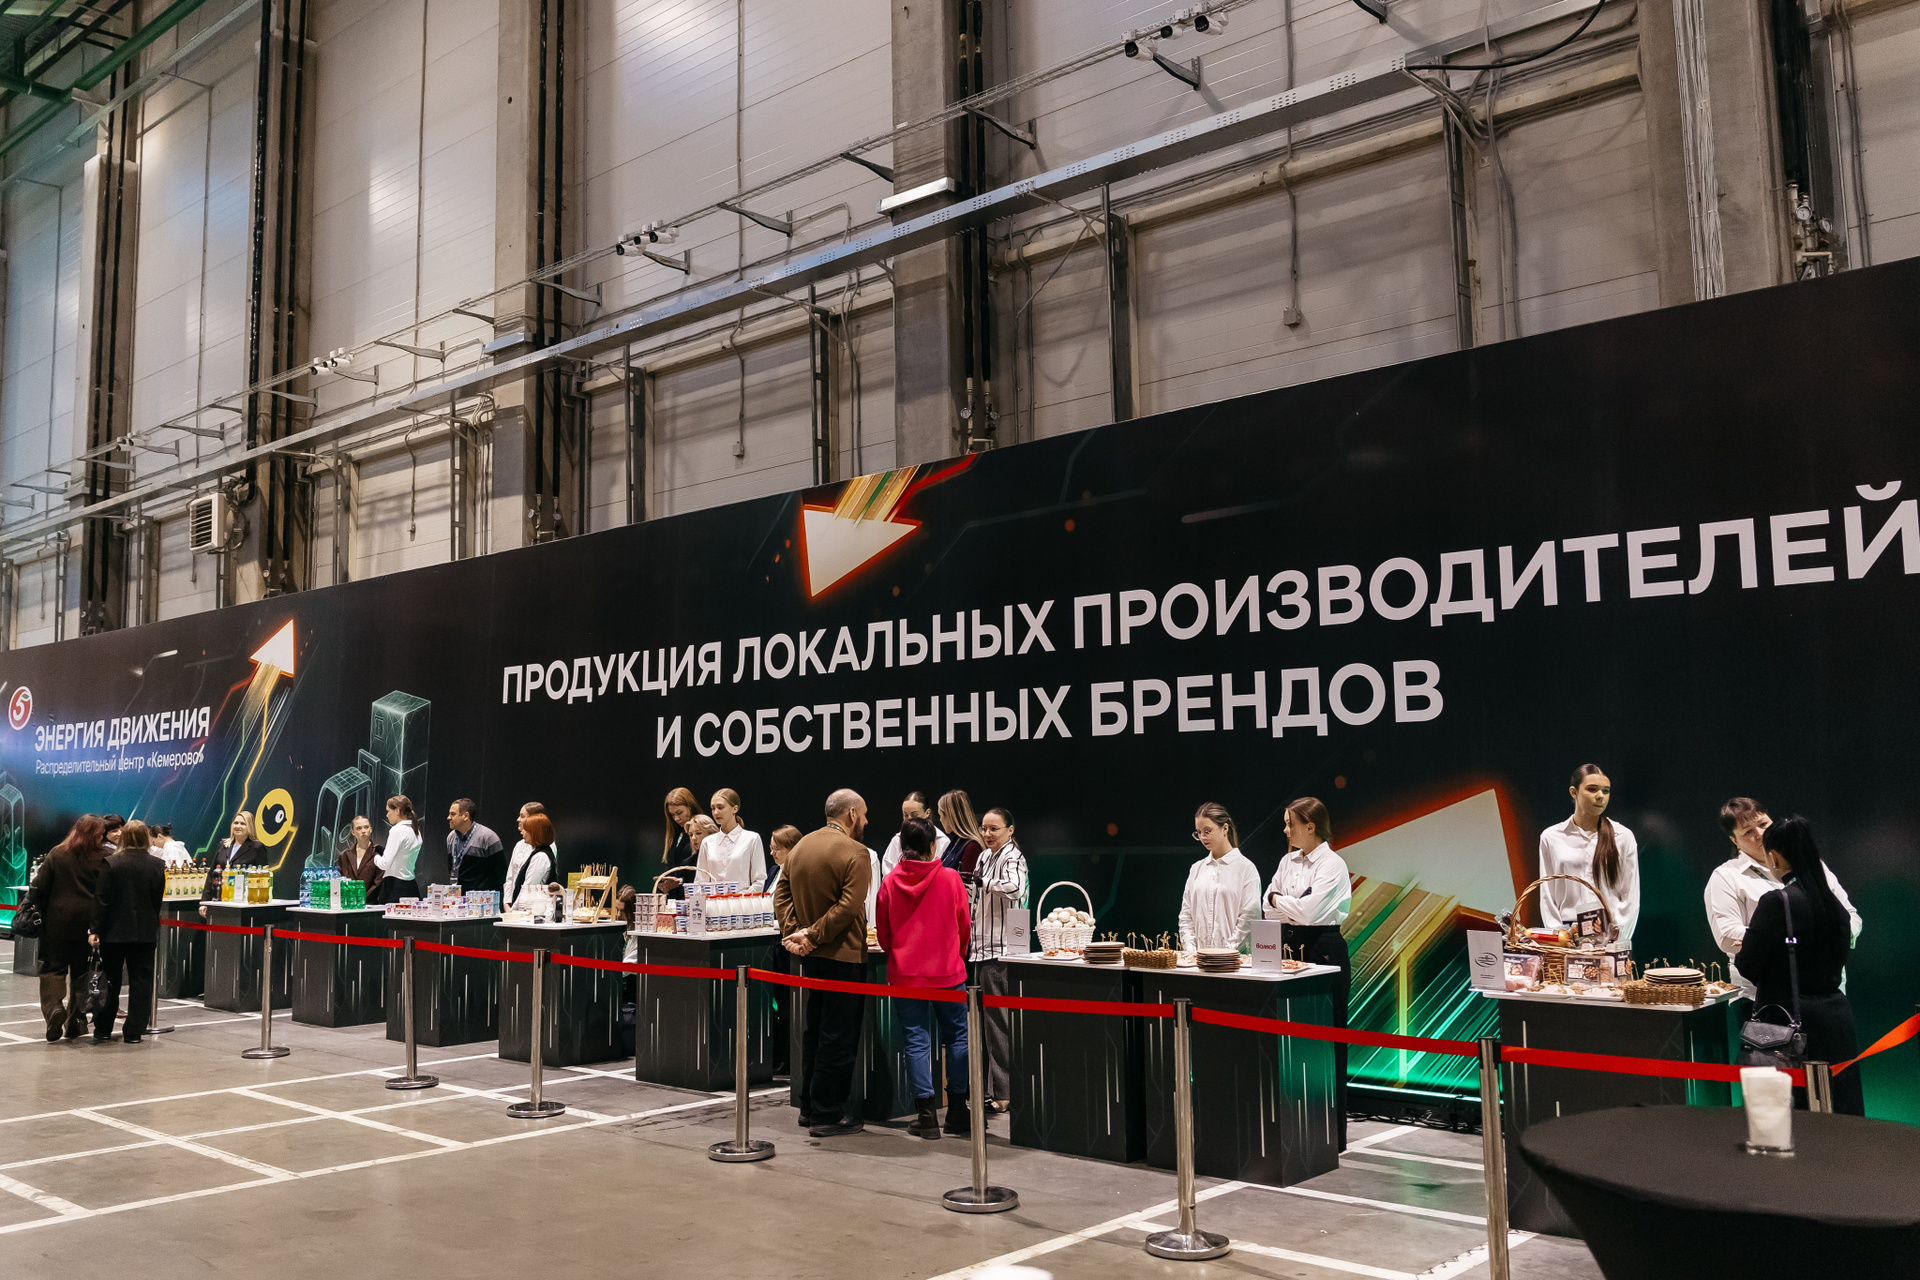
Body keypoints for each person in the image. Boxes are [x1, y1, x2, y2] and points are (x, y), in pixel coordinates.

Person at [1736, 815, 1866, 1116]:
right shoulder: (1836, 906)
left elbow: (1747, 965)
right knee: (1840, 1110)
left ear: (1775, 857)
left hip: (1788, 1022)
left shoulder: (1777, 902)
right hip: (1836, 1020)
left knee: (1791, 1116)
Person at [773, 788, 872, 1137]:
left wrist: (795, 933)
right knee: (837, 1037)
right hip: (844, 956)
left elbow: (780, 893)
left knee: (814, 1031)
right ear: (851, 815)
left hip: (811, 958)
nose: (866, 821)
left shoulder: (801, 847)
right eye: (863, 814)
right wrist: (812, 935)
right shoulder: (857, 852)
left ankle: (809, 1107)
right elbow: (848, 907)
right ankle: (827, 1113)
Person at [1705, 797, 1861, 1001]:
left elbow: (1850, 916)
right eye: (1748, 832)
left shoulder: (1813, 865)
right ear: (1734, 840)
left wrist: (1828, 938)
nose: (1760, 834)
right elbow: (1727, 936)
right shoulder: (1726, 876)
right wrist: (1804, 941)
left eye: (1763, 824)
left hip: (1828, 991)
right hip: (1760, 997)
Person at [1265, 796, 1353, 1150]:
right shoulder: (1287, 861)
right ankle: (1293, 1129)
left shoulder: (1332, 864)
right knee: (1290, 1038)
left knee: (1328, 1041)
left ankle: (1332, 1135)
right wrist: (1284, 903)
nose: (1286, 831)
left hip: (1323, 946)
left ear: (1310, 826)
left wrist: (1280, 901)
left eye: (1291, 824)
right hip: (1287, 946)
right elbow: (1267, 906)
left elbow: (1308, 912)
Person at [876, 817, 972, 1139]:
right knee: (957, 1038)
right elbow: (964, 924)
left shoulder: (889, 882)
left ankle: (927, 1117)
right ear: (932, 845)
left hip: (906, 975)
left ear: (903, 845)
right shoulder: (950, 878)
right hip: (948, 972)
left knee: (916, 1041)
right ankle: (957, 1111)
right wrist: (957, 953)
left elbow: (884, 934)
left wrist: (899, 954)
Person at [27, 815, 109, 1041]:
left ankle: (54, 1009)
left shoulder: (58, 853)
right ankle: (75, 1022)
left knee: (52, 970)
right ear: (96, 834)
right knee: (81, 973)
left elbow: (39, 886)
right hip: (89, 925)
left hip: (56, 922)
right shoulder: (106, 857)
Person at [1537, 764, 1640, 944]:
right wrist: (1560, 938)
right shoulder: (1551, 837)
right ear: (1574, 792)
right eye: (1592, 789)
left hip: (1609, 937)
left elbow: (1630, 897)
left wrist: (1616, 940)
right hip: (1568, 936)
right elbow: (1547, 894)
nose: (1600, 796)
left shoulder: (1623, 837)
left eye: (1605, 791)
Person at [87, 820, 165, 1044]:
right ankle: (134, 1031)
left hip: (113, 932)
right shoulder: (157, 865)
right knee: (141, 981)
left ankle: (103, 1028)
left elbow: (101, 900)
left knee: (110, 981)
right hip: (145, 931)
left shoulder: (111, 863)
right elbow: (156, 900)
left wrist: (95, 929)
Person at [972, 807, 1028, 1113]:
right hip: (981, 948)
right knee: (988, 1026)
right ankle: (993, 1089)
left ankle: (1005, 1093)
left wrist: (984, 883)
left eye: (994, 829)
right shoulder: (984, 856)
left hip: (1002, 950)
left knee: (999, 1025)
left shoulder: (1013, 857)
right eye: (984, 828)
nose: (987, 834)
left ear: (1010, 830)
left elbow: (1015, 888)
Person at [1177, 802, 1261, 954]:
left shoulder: (1245, 868)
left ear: (1225, 828)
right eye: (1199, 832)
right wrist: (1190, 950)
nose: (1203, 837)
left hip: (1234, 960)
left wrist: (1225, 952)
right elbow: (1186, 915)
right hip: (1199, 959)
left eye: (1207, 831)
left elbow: (1250, 916)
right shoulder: (1196, 869)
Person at [697, 788, 766, 891]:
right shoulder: (707, 842)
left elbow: (759, 880)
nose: (716, 812)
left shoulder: (752, 839)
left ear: (735, 809)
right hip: (714, 900)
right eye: (713, 808)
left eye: (720, 807)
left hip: (743, 900)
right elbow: (700, 881)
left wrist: (742, 897)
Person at [880, 792, 949, 880]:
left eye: (914, 815)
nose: (909, 820)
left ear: (927, 813)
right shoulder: (897, 841)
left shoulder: (942, 841)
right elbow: (887, 875)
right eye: (905, 815)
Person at [200, 812, 265, 904]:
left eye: (243, 824)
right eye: (236, 823)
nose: (238, 826)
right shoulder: (223, 845)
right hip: (219, 899)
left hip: (244, 902)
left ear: (250, 826)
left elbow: (262, 877)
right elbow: (211, 875)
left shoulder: (257, 848)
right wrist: (204, 902)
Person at [446, 799, 505, 896]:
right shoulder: (451, 837)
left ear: (465, 816)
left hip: (482, 899)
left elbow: (501, 874)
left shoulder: (488, 837)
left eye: (453, 814)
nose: (448, 818)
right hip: (458, 897)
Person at [504, 813, 560, 913]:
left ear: (535, 833)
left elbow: (528, 888)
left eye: (526, 830)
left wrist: (512, 911)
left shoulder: (540, 857)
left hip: (531, 912)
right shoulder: (538, 854)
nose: (522, 832)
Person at [373, 796, 423, 903]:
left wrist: (375, 856)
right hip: (411, 886)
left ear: (397, 810)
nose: (387, 815)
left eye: (388, 811)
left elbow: (385, 864)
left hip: (394, 887)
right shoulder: (416, 830)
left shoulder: (397, 830)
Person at [656, 787, 700, 898]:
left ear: (690, 807)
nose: (676, 818)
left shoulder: (702, 831)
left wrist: (680, 881)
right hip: (673, 899)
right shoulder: (676, 835)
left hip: (692, 898)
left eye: (679, 813)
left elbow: (703, 872)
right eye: (672, 815)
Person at [938, 790, 984, 876]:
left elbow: (966, 883)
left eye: (941, 815)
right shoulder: (956, 841)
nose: (940, 820)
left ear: (950, 816)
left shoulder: (972, 847)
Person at [338, 815, 383, 898]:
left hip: (370, 902)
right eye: (359, 828)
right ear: (353, 832)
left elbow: (379, 881)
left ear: (370, 829)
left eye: (366, 827)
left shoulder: (379, 852)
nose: (363, 831)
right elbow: (340, 880)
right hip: (348, 901)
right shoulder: (344, 856)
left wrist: (362, 899)